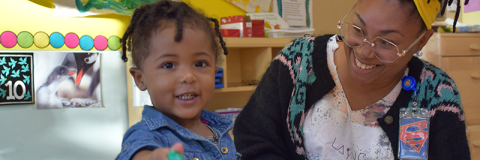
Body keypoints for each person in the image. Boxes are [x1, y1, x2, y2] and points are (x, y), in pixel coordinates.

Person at [233, 0, 470, 159]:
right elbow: (253, 140)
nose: (365, 52)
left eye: (386, 43)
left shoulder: (436, 93)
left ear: (421, 41)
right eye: (358, 29)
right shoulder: (298, 62)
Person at [115, 1, 239, 160]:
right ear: (140, 79)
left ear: (215, 72)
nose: (188, 76)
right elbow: (139, 152)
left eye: (200, 64)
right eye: (168, 65)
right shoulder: (145, 134)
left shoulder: (219, 129)